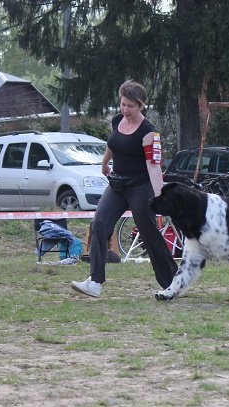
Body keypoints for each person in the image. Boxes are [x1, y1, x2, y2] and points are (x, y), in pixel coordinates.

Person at [71, 80, 177, 297]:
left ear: (141, 106)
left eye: (130, 106)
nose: (125, 110)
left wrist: (160, 195)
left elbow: (153, 165)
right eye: (123, 104)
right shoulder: (117, 120)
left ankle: (173, 283)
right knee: (99, 225)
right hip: (117, 184)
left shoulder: (149, 132)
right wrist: (104, 162)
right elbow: (113, 143)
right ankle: (95, 281)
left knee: (148, 233)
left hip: (140, 187)